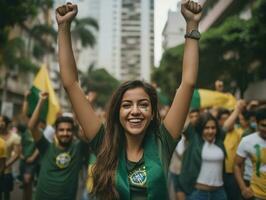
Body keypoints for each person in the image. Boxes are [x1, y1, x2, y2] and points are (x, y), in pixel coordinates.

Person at [56, 0, 202, 199]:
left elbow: (188, 83)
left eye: (143, 105)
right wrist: (63, 27)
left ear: (152, 114)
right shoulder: (103, 141)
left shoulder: (163, 141)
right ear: (117, 112)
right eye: (126, 105)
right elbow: (71, 84)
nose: (135, 111)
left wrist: (192, 25)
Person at [28, 92, 89, 200]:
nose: (65, 133)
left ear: (73, 132)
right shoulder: (45, 147)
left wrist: (83, 106)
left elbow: (85, 132)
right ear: (55, 132)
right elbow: (32, 127)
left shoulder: (79, 148)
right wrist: (41, 101)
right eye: (61, 130)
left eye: (68, 130)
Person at [234, 106, 266, 200]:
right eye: (263, 125)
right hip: (256, 195)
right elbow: (236, 165)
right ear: (256, 123)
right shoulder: (247, 141)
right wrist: (243, 189)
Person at [0, 115, 21, 200]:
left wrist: (5, 165)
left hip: (6, 171)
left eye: (1, 121)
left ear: (7, 124)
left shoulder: (14, 137)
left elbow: (17, 154)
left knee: (6, 193)